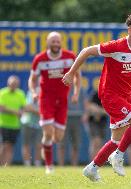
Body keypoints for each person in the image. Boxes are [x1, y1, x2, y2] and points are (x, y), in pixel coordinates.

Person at [62, 12, 131, 182]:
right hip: (109, 96)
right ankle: (118, 156)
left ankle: (92, 168)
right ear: (130, 30)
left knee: (116, 140)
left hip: (125, 97)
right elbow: (86, 51)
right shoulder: (116, 46)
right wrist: (71, 73)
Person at [28, 31, 81, 174]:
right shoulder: (40, 59)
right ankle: (49, 166)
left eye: (58, 41)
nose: (56, 44)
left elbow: (77, 76)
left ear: (61, 42)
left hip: (62, 101)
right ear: (48, 42)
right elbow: (32, 79)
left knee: (58, 137)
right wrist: (33, 92)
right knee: (49, 132)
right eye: (53, 41)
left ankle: (46, 146)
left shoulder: (69, 57)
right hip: (46, 99)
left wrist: (76, 93)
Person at [0, 76, 26, 166]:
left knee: (10, 146)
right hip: (3, 124)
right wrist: (15, 111)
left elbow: (23, 107)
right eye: (12, 84)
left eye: (15, 84)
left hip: (15, 125)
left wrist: (21, 112)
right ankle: (1, 164)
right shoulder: (2, 92)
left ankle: (7, 166)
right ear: (8, 84)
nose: (13, 86)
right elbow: (2, 108)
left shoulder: (21, 94)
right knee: (4, 145)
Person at [57, 87, 85, 166]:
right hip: (63, 117)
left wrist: (85, 113)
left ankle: (74, 165)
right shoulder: (61, 88)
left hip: (77, 117)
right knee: (61, 143)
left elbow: (84, 101)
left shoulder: (80, 89)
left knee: (76, 144)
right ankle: (61, 165)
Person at [82, 88, 108, 160]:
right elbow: (89, 105)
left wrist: (98, 110)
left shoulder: (108, 96)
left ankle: (97, 162)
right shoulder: (95, 93)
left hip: (102, 121)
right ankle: (93, 162)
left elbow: (108, 110)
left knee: (100, 143)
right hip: (92, 121)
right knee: (95, 141)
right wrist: (99, 110)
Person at [21, 88, 42, 167]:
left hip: (40, 124)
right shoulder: (31, 93)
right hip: (27, 122)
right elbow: (27, 107)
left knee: (39, 145)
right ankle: (27, 164)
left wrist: (38, 110)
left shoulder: (46, 93)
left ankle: (37, 164)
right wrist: (40, 111)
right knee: (26, 144)